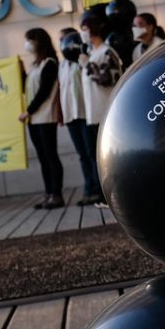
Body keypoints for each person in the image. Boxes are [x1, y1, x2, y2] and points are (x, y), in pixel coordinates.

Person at [79, 11, 122, 205]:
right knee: (96, 156)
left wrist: (88, 66)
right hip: (92, 113)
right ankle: (105, 194)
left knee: (111, 156)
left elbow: (108, 79)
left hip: (105, 112)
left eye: (85, 29)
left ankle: (117, 195)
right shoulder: (91, 53)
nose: (83, 34)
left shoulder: (106, 51)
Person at [20, 28, 65, 210]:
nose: (28, 44)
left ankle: (57, 194)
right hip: (34, 119)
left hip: (45, 116)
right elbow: (28, 87)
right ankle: (48, 193)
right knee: (42, 158)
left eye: (30, 40)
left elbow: (44, 92)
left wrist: (28, 111)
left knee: (50, 155)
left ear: (39, 41)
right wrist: (21, 71)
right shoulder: (35, 65)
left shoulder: (50, 63)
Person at [58, 28, 100, 207]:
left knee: (92, 153)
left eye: (65, 40)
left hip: (84, 112)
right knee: (82, 154)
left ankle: (99, 190)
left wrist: (84, 61)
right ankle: (88, 189)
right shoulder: (62, 65)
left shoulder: (83, 59)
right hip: (71, 115)